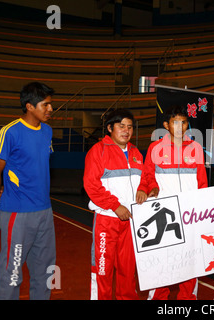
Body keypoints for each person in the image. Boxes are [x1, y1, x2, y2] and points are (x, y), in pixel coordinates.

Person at [0, 82, 56, 300]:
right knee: (12, 271)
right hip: (17, 213)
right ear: (29, 106)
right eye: (45, 105)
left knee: (45, 270)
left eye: (50, 105)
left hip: (44, 211)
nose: (50, 109)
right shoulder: (9, 132)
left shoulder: (47, 131)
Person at [137, 105, 208, 300]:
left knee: (190, 260)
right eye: (175, 122)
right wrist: (150, 188)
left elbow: (202, 181)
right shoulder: (155, 148)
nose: (180, 127)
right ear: (166, 125)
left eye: (184, 123)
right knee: (162, 261)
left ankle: (187, 298)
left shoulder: (195, 148)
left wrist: (203, 208)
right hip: (165, 214)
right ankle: (158, 297)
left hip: (190, 213)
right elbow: (147, 176)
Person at [83, 108, 145, 300]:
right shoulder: (98, 151)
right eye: (121, 126)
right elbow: (91, 185)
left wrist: (144, 188)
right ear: (110, 128)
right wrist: (115, 206)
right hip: (106, 220)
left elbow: (145, 178)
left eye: (130, 127)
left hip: (131, 222)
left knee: (128, 270)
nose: (126, 130)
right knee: (103, 269)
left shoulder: (136, 153)